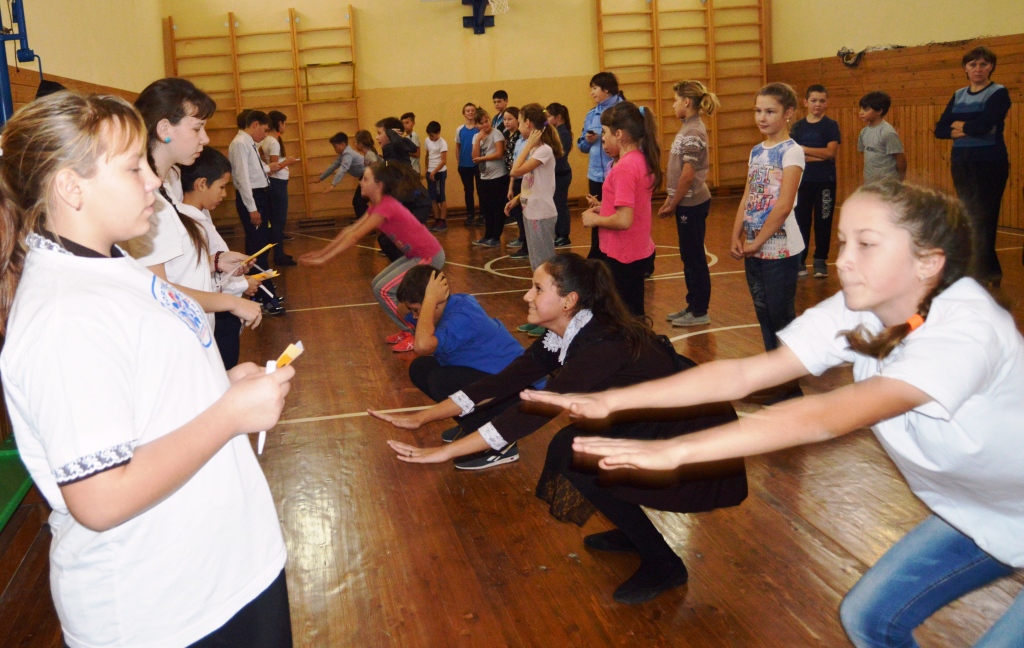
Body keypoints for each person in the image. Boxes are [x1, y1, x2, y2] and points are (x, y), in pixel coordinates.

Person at [525, 181, 1024, 645]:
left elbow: (825, 416)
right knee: (868, 619)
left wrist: (676, 451)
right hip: (977, 515)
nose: (844, 260)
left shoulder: (965, 331)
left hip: (1003, 512)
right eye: (842, 241)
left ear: (928, 262)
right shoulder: (866, 307)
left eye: (866, 244)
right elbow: (744, 375)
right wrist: (612, 401)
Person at [0, 91, 295, 648]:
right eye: (133, 167)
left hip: (224, 575)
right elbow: (101, 498)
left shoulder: (112, 263)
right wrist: (229, 416)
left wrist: (218, 388)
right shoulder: (65, 313)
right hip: (164, 610)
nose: (154, 181)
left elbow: (143, 394)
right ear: (70, 187)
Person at [371, 254, 747, 603]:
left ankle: (664, 564)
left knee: (575, 453)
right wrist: (425, 416)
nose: (527, 296)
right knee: (578, 450)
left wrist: (446, 452)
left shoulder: (599, 346)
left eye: (537, 288)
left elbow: (531, 413)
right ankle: (634, 531)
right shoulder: (565, 333)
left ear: (569, 301)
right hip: (649, 415)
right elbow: (503, 382)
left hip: (686, 425)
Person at [127, 79, 267, 326]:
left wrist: (215, 262)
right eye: (197, 128)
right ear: (164, 129)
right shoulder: (144, 199)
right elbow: (156, 288)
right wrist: (230, 302)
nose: (205, 138)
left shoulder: (167, 186)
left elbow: (174, 268)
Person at [298, 162, 445, 350]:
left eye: (365, 179)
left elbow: (355, 236)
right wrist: (321, 253)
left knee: (384, 289)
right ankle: (407, 329)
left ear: (378, 185)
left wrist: (324, 259)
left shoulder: (386, 206)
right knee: (377, 285)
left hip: (429, 255)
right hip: (415, 255)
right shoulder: (377, 206)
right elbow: (349, 230)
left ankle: (414, 333)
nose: (361, 182)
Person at [395, 265, 526, 428]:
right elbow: (401, 311)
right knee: (420, 368)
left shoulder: (462, 316)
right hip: (496, 379)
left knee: (441, 380)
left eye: (417, 310)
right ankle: (472, 424)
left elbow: (421, 347)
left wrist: (430, 299)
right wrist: (426, 296)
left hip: (519, 390)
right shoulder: (444, 307)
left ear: (435, 303)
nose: (414, 317)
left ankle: (491, 433)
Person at [731, 83, 805, 363]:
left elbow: (784, 206)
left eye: (770, 111)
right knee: (763, 311)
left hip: (781, 248)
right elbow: (748, 196)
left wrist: (758, 242)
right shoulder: (756, 151)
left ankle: (789, 375)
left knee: (780, 314)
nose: (762, 118)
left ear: (788, 113)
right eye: (758, 111)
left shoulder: (791, 151)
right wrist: (736, 235)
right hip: (754, 246)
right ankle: (774, 370)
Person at [180, 147, 265, 369]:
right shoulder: (187, 224)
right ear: (201, 184)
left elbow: (205, 266)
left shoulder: (199, 217)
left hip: (216, 310)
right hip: (212, 312)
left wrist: (226, 265)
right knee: (223, 368)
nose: (224, 194)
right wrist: (240, 285)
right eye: (221, 187)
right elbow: (189, 279)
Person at [934, 46, 1011, 288]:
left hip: (990, 163)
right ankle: (991, 271)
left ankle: (979, 272)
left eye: (983, 64)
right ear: (965, 68)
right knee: (968, 217)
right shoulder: (958, 95)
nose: (978, 69)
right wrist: (970, 127)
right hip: (962, 163)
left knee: (985, 217)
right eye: (973, 64)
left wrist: (958, 125)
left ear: (991, 67)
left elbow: (984, 125)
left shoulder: (998, 93)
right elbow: (940, 130)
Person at [581, 102, 661, 318]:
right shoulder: (639, 160)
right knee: (633, 313)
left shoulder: (625, 167)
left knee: (622, 316)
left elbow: (624, 220)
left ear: (619, 134)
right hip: (635, 249)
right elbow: (633, 205)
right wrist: (603, 208)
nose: (603, 138)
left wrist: (594, 220)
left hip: (622, 253)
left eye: (605, 132)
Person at [658, 80, 719, 328]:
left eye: (675, 100)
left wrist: (674, 202)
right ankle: (692, 305)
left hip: (692, 204)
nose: (673, 105)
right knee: (688, 256)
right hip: (684, 202)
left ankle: (700, 310)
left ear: (686, 101)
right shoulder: (687, 128)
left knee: (694, 258)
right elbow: (677, 173)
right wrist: (670, 197)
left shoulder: (694, 132)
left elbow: (687, 174)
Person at [506, 103, 563, 336]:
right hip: (531, 212)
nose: (518, 126)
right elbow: (532, 182)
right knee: (536, 267)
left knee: (545, 270)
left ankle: (550, 319)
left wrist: (528, 145)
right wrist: (517, 199)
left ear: (528, 124)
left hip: (541, 215)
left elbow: (515, 171)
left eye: (520, 122)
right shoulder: (536, 150)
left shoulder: (543, 151)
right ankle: (540, 316)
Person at [228, 109, 285, 314]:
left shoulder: (249, 143)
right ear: (254, 125)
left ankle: (262, 292)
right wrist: (252, 208)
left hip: (260, 197)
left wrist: (273, 167)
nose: (266, 134)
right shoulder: (240, 144)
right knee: (257, 250)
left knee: (261, 246)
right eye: (265, 130)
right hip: (253, 199)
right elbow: (243, 178)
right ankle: (265, 296)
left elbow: (257, 170)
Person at [790, 84, 841, 279]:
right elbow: (794, 155)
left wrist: (804, 150)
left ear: (826, 103)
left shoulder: (830, 126)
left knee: (823, 221)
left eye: (821, 101)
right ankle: (800, 260)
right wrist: (818, 155)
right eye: (813, 100)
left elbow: (830, 153)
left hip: (825, 182)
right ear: (805, 102)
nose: (817, 104)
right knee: (801, 221)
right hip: (802, 182)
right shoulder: (798, 127)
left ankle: (820, 260)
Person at [578, 72, 625, 259]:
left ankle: (626, 255)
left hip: (619, 173)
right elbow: (582, 147)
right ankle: (598, 255)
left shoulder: (624, 111)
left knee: (620, 215)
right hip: (596, 175)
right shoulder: (592, 114)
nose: (592, 93)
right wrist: (587, 140)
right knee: (597, 214)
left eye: (595, 88)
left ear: (607, 89)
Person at [261, 110, 300, 266]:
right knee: (278, 220)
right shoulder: (273, 142)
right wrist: (288, 162)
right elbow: (274, 167)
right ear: (279, 123)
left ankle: (279, 252)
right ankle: (278, 255)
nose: (285, 126)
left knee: (275, 221)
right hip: (277, 184)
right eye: (284, 123)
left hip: (275, 184)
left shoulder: (266, 140)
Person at [471, 108, 508, 248]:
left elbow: (499, 153)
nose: (485, 125)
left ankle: (496, 237)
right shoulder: (476, 137)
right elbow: (474, 157)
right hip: (484, 176)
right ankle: (487, 235)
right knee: (487, 208)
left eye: (486, 121)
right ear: (476, 125)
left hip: (498, 176)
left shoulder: (496, 133)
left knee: (497, 207)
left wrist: (482, 158)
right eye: (481, 123)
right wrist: (477, 141)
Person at [313, 131, 368, 219]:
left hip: (370, 177)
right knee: (358, 202)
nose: (334, 149)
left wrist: (333, 185)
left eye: (335, 147)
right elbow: (333, 166)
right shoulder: (344, 154)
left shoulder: (348, 154)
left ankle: (368, 222)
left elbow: (343, 169)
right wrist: (321, 178)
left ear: (343, 144)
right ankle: (367, 221)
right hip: (365, 177)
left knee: (358, 202)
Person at [858, 91, 906, 184]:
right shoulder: (864, 132)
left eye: (866, 110)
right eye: (861, 109)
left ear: (879, 111)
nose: (861, 112)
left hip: (887, 183)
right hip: (870, 183)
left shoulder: (887, 132)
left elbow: (901, 160)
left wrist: (900, 182)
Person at [545, 102, 574, 248]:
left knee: (560, 205)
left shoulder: (563, 133)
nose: (547, 120)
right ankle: (557, 233)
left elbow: (558, 155)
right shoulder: (556, 131)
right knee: (556, 204)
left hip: (561, 174)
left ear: (558, 117)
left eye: (549, 117)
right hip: (556, 174)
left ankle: (563, 235)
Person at [501, 106, 527, 257]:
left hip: (523, 177)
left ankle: (524, 239)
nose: (506, 122)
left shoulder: (520, 137)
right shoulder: (509, 135)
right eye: (504, 119)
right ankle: (522, 238)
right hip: (514, 176)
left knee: (523, 212)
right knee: (517, 211)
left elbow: (518, 162)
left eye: (510, 119)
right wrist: (511, 185)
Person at [455, 103, 481, 226]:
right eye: (468, 110)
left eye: (472, 110)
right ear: (464, 113)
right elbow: (457, 146)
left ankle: (483, 214)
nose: (470, 112)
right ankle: (470, 215)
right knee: (468, 191)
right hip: (464, 165)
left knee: (481, 190)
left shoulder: (479, 128)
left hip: (478, 165)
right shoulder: (459, 129)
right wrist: (458, 161)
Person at [424, 121, 449, 232]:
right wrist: (427, 170)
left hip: (439, 172)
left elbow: (443, 161)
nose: (430, 138)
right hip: (431, 172)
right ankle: (437, 219)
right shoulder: (427, 140)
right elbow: (427, 155)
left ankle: (443, 221)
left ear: (438, 133)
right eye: (429, 135)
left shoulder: (442, 143)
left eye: (432, 135)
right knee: (432, 198)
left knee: (441, 197)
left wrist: (434, 172)